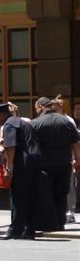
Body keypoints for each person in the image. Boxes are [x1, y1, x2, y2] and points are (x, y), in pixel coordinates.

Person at [0, 103, 41, 240]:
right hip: (35, 163)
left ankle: (15, 230)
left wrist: (8, 167)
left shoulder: (9, 125)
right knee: (31, 197)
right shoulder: (22, 122)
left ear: (1, 114)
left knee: (18, 197)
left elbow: (11, 147)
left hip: (22, 164)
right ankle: (30, 230)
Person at [30, 97, 80, 231]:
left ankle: (48, 223)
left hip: (44, 164)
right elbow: (75, 142)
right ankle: (60, 222)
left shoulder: (35, 123)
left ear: (40, 107)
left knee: (46, 194)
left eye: (36, 109)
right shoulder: (67, 121)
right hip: (64, 163)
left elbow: (31, 146)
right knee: (61, 193)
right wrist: (78, 159)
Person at [51, 96, 79, 224]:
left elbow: (74, 141)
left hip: (68, 157)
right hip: (59, 158)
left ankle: (71, 213)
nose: (53, 109)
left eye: (55, 107)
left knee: (70, 186)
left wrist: (75, 158)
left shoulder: (68, 121)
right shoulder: (55, 119)